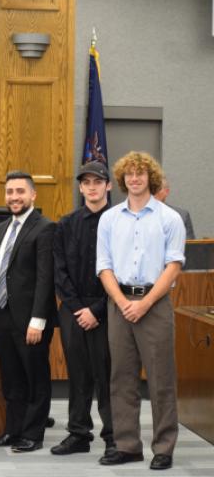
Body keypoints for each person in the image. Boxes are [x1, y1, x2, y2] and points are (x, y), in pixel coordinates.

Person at [97, 152, 185, 470]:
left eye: (141, 173)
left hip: (155, 304)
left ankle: (163, 447)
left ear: (151, 178)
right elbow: (104, 266)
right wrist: (122, 303)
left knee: (161, 380)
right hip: (119, 303)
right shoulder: (110, 219)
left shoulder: (168, 218)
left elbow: (174, 266)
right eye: (130, 174)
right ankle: (127, 445)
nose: (135, 179)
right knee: (121, 378)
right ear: (122, 180)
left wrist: (145, 303)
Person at [0, 171, 57, 453]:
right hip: (3, 315)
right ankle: (12, 431)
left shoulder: (45, 228)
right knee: (11, 377)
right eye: (10, 192)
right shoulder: (1, 228)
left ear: (32, 195)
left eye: (20, 192)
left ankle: (33, 434)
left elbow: (45, 278)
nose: (14, 197)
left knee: (35, 378)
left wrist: (38, 321)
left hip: (31, 320)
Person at [50, 161, 114, 457]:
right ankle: (78, 434)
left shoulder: (118, 222)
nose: (92, 187)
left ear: (108, 186)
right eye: (86, 182)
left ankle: (114, 435)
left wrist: (97, 310)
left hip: (109, 307)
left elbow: (122, 271)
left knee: (107, 374)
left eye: (97, 181)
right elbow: (59, 271)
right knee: (78, 373)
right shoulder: (65, 224)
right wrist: (78, 309)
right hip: (74, 310)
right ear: (80, 187)